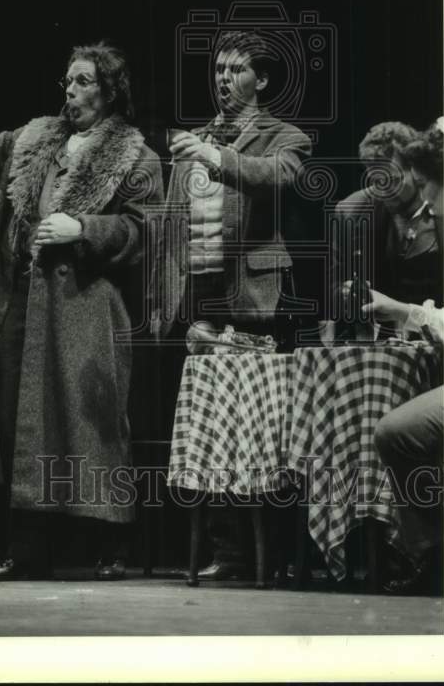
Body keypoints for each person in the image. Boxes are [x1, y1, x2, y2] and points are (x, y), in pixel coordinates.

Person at [0, 42, 163, 580]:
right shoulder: (36, 140)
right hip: (24, 298)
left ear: (110, 90)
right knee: (16, 418)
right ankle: (23, 548)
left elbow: (147, 231)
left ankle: (112, 544)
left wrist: (85, 228)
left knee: (92, 424)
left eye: (83, 81)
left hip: (87, 309)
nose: (70, 91)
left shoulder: (136, 157)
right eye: (67, 81)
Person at [152, 29, 313, 580]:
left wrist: (215, 156)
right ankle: (228, 550)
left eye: (237, 69)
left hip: (257, 299)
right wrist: (165, 294)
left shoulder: (285, 136)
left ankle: (283, 555)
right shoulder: (195, 140)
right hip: (205, 296)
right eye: (218, 68)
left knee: (266, 430)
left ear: (261, 79)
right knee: (214, 426)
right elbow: (174, 222)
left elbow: (279, 178)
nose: (223, 77)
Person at [368, 120, 444, 594]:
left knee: (397, 429)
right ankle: (415, 550)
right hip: (416, 344)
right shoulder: (368, 215)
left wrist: (408, 315)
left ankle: (427, 552)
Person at [330, 120, 443, 330]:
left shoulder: (443, 202)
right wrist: (346, 293)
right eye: (376, 181)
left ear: (416, 170)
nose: (384, 192)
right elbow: (333, 287)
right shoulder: (351, 212)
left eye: (393, 180)